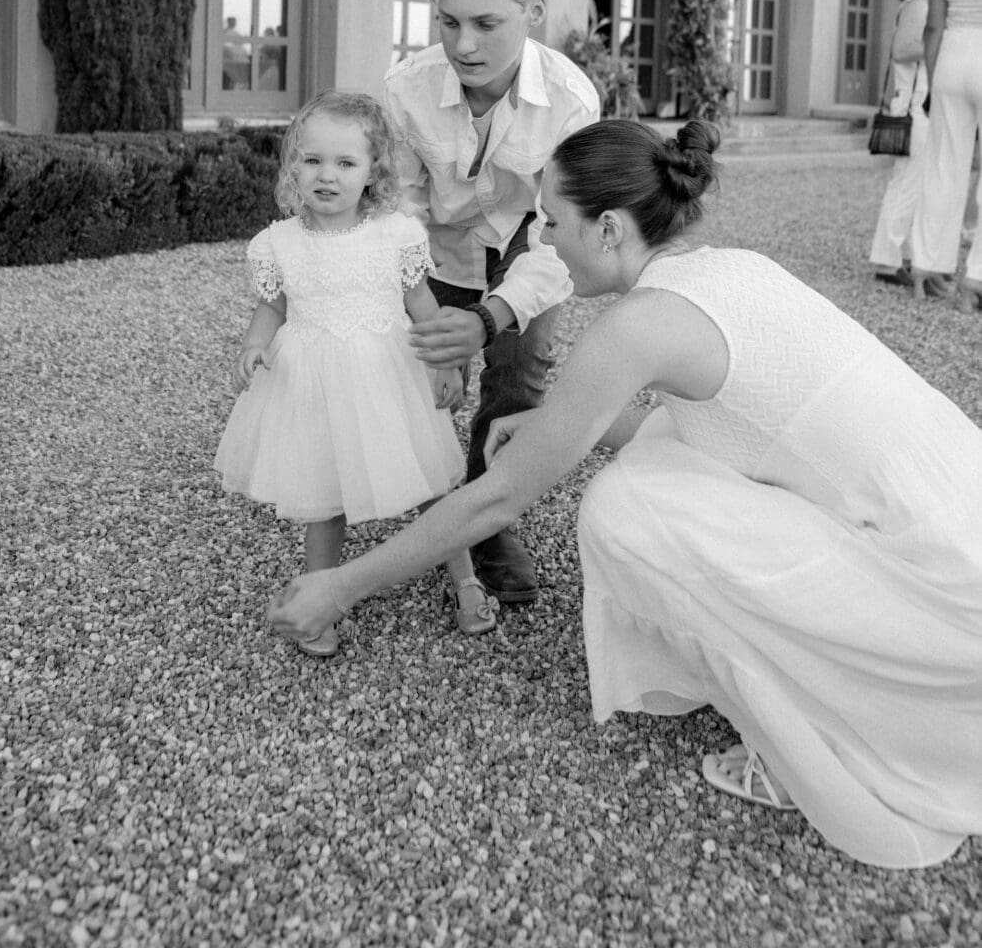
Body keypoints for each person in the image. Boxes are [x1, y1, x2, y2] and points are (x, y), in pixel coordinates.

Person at [269, 117, 982, 868]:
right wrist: (557, 421)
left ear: (608, 228)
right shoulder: (733, 268)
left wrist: (340, 585)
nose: (543, 241)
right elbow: (730, 430)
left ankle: (817, 735)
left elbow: (497, 499)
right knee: (652, 468)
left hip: (941, 595)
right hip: (956, 520)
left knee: (626, 508)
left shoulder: (640, 323)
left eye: (551, 221)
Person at [214, 90, 497, 657]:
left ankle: (464, 578)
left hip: (389, 379)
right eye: (313, 160)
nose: (327, 175)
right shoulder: (278, 243)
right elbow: (273, 308)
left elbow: (422, 304)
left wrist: (445, 361)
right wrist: (253, 347)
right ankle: (321, 597)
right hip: (315, 385)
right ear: (293, 165)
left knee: (429, 482)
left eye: (346, 163)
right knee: (324, 494)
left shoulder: (395, 233)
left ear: (373, 171)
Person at [383, 0, 600, 604]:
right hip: (435, 248)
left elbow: (561, 238)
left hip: (530, 242)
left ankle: (487, 516)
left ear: (533, 11)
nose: (462, 45)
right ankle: (429, 497)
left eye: (486, 23)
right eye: (448, 22)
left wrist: (489, 319)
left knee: (519, 372)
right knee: (419, 376)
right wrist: (429, 318)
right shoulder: (406, 88)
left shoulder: (571, 102)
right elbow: (398, 215)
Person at [910, 0, 982, 310]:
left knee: (942, 167)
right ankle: (973, 282)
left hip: (953, 55)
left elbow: (933, 26)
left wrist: (936, 82)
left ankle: (925, 268)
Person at [867, 0, 931, 285]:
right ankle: (888, 260)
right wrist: (939, 41)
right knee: (906, 186)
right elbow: (903, 51)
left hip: (909, 107)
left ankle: (898, 257)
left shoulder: (912, 6)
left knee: (908, 185)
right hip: (912, 110)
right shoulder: (918, 6)